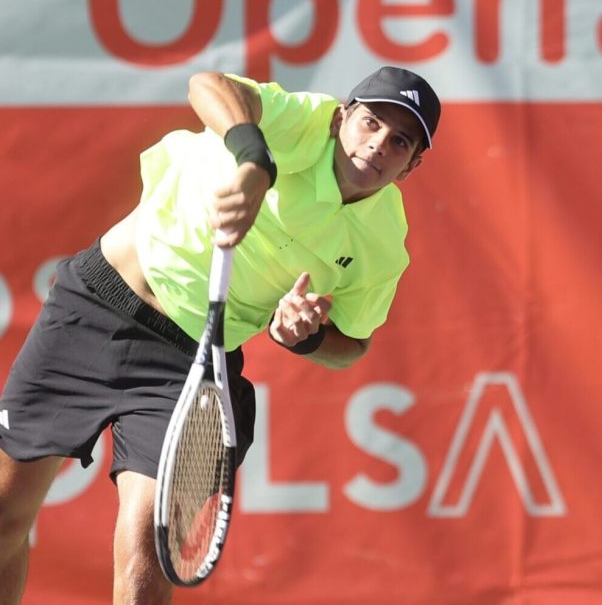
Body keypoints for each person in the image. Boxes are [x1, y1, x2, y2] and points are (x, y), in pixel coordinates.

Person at [0, 66, 441, 603]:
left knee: (146, 564)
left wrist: (304, 337)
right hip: (97, 308)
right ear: (340, 119)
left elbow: (352, 345)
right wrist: (254, 159)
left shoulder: (382, 246)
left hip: (191, 369)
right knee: (4, 516)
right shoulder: (303, 121)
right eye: (371, 122)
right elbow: (206, 85)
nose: (378, 144)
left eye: (399, 142)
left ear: (411, 166)